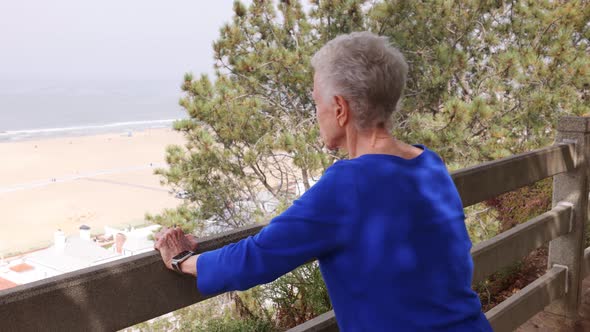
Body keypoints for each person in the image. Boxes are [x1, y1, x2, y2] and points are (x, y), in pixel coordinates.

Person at [155, 31, 492, 331]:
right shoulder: (429, 163)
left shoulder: (349, 185)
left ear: (340, 109)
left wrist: (182, 260)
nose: (316, 112)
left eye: (316, 102)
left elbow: (255, 258)